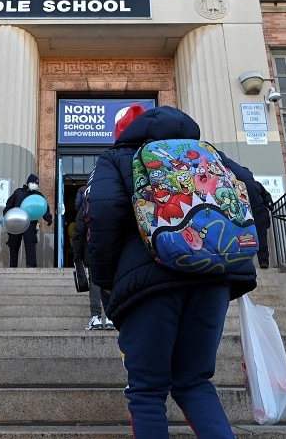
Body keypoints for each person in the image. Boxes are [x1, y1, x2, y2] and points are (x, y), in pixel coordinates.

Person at [86, 105, 259, 438]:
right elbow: (252, 190)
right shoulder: (209, 154)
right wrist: (248, 257)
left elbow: (104, 212)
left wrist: (105, 281)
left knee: (147, 390)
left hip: (150, 282)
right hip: (213, 278)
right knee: (194, 382)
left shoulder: (117, 157)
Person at [73, 201, 114, 330]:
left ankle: (96, 317)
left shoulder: (87, 203)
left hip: (92, 248)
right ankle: (110, 317)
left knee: (95, 281)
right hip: (111, 247)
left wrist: (77, 255)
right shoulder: (112, 199)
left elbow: (79, 230)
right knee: (110, 280)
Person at [3, 174, 53, 268]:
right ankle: (12, 266)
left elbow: (44, 207)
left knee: (30, 241)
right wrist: (6, 216)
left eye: (36, 183)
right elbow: (9, 204)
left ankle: (31, 265)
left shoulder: (38, 196)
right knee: (14, 243)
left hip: (30, 222)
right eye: (33, 182)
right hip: (16, 222)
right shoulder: (18, 192)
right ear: (28, 183)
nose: (35, 184)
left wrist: (48, 218)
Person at [253, 180, 274, 269]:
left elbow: (266, 195)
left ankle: (263, 261)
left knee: (261, 238)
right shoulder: (255, 184)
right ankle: (263, 261)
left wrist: (269, 204)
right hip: (255, 212)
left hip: (259, 213)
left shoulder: (256, 184)